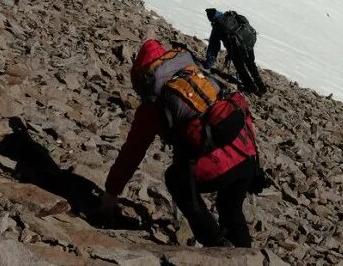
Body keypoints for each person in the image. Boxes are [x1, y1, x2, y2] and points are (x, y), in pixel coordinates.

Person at [100, 39, 259, 247]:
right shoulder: (195, 74)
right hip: (246, 152)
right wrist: (255, 165)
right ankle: (246, 255)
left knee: (176, 180)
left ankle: (216, 246)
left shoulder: (155, 101)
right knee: (231, 207)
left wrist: (111, 191)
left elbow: (132, 152)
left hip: (217, 165)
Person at [203, 8, 266, 95]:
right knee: (250, 63)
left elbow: (214, 47)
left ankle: (252, 88)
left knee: (241, 68)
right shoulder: (231, 15)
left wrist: (208, 65)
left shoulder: (217, 27)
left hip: (237, 50)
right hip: (248, 43)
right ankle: (261, 86)